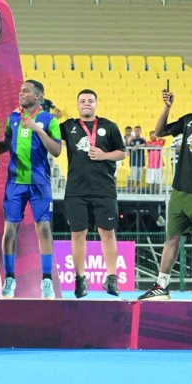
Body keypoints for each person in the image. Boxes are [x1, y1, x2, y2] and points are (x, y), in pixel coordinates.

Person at [59, 89, 126, 298]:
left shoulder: (109, 126)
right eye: (82, 101)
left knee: (107, 232)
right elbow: (49, 134)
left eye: (90, 101)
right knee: (78, 233)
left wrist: (104, 155)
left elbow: (122, 152)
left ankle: (112, 277)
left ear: (96, 104)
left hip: (104, 189)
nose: (86, 104)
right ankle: (80, 279)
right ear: (77, 105)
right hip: (76, 190)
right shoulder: (68, 126)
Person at [1, 80, 62, 299]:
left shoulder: (49, 120)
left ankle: (47, 280)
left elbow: (57, 150)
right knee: (10, 230)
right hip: (15, 182)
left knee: (44, 228)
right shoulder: (12, 118)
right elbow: (6, 144)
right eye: (20, 91)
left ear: (38, 97)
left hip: (39, 182)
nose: (20, 94)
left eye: (25, 91)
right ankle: (9, 277)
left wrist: (38, 130)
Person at [139, 89, 192, 300]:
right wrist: (167, 107)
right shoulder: (189, 120)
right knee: (171, 238)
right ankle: (161, 286)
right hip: (180, 191)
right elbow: (160, 131)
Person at [128, 125, 147, 191]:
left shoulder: (142, 139)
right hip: (133, 161)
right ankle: (129, 190)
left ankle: (137, 191)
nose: (137, 132)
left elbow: (145, 145)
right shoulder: (132, 139)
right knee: (133, 176)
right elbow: (128, 146)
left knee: (139, 177)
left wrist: (137, 146)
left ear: (140, 131)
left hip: (141, 161)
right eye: (136, 131)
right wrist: (129, 140)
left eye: (138, 131)